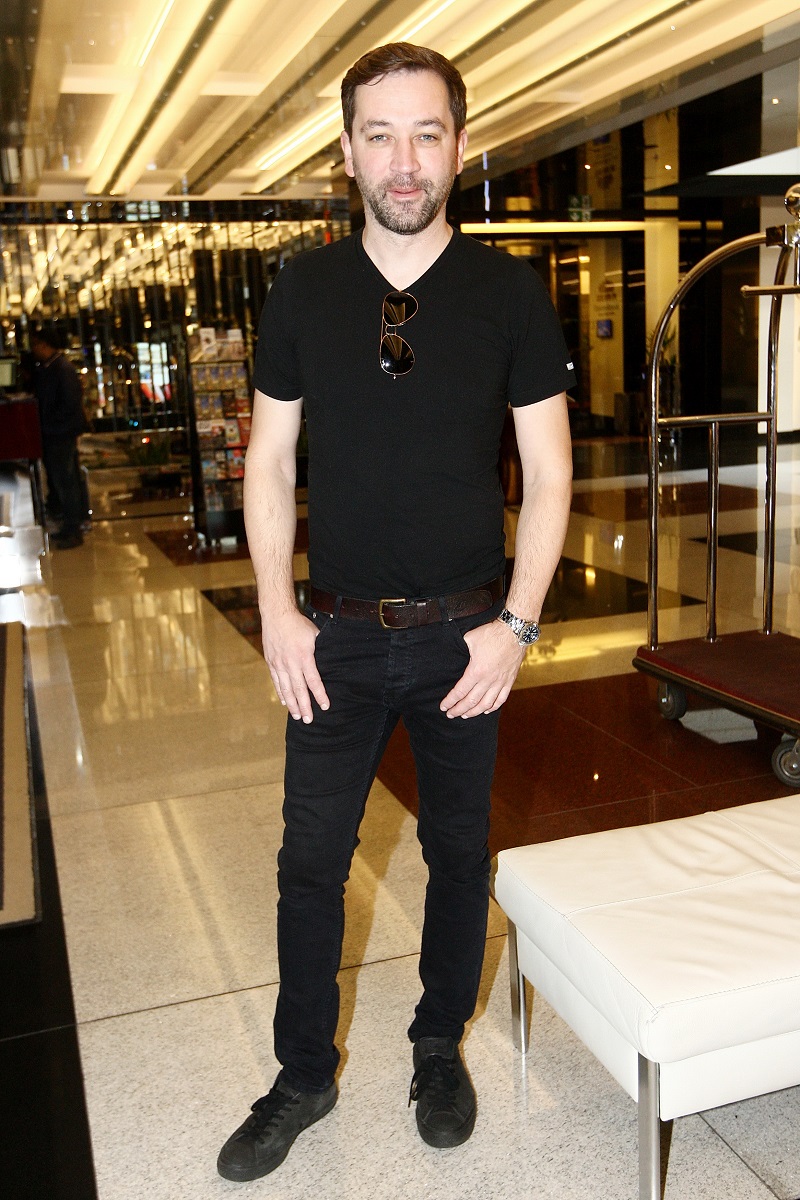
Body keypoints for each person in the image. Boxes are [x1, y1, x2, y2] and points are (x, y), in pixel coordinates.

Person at [217, 42, 575, 1183]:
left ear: (459, 147)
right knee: (309, 863)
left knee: (458, 853)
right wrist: (276, 612)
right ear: (347, 152)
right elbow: (269, 462)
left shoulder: (509, 293)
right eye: (380, 135)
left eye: (426, 134)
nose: (404, 159)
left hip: (466, 636)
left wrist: (516, 626)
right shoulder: (303, 290)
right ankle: (302, 1076)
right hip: (330, 637)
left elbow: (550, 473)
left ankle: (435, 1049)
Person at [30, 327, 87, 549]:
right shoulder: (52, 368)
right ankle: (70, 525)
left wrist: (51, 424)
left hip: (60, 433)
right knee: (64, 480)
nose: (33, 349)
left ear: (45, 344)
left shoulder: (61, 369)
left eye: (36, 344)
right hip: (57, 432)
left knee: (66, 481)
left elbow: (69, 403)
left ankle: (73, 528)